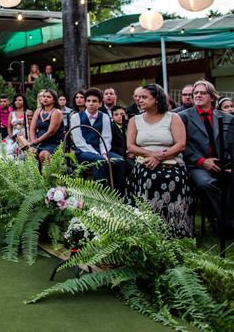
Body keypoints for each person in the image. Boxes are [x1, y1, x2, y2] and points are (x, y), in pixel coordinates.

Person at [127, 84, 192, 237]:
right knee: (146, 177)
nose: (139, 100)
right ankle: (146, 229)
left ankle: (174, 229)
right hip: (145, 162)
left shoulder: (173, 118)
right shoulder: (134, 120)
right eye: (139, 97)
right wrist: (152, 155)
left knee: (174, 179)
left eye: (144, 97)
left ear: (156, 99)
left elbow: (181, 144)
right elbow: (130, 146)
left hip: (172, 161)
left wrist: (161, 156)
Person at [179, 80, 234, 233]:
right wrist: (202, 161)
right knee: (206, 184)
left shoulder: (226, 118)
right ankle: (227, 223)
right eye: (195, 93)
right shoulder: (182, 117)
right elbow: (182, 145)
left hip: (224, 163)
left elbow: (231, 145)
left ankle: (221, 221)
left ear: (212, 97)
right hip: (197, 165)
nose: (198, 95)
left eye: (202, 93)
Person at [69, 88, 125, 193]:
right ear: (85, 103)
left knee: (120, 161)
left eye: (94, 101)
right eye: (88, 101)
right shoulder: (76, 117)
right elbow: (79, 141)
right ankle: (100, 195)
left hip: (102, 149)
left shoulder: (104, 117)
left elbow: (106, 137)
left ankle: (119, 195)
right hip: (83, 151)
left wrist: (104, 152)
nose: (91, 104)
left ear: (100, 104)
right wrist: (99, 155)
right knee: (99, 161)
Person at [29, 89, 63, 164]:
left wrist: (37, 141)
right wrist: (33, 140)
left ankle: (48, 175)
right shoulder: (38, 111)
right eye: (44, 96)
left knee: (43, 155)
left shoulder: (56, 112)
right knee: (30, 152)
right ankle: (34, 175)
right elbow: (32, 128)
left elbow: (50, 132)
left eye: (48, 97)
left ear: (54, 100)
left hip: (53, 143)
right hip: (39, 142)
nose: (45, 98)